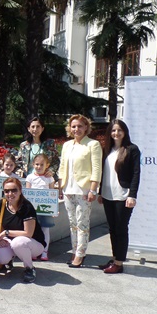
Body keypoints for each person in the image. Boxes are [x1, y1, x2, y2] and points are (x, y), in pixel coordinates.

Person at [58, 114, 102, 268]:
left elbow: (97, 169)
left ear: (86, 128)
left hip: (84, 189)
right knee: (72, 223)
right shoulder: (67, 145)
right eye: (74, 126)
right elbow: (62, 166)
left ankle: (80, 254)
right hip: (68, 188)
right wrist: (60, 185)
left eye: (80, 126)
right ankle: (75, 250)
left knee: (82, 223)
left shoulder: (93, 144)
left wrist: (93, 190)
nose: (76, 129)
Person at [97, 119, 141, 274]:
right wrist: (100, 192)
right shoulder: (107, 149)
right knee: (113, 229)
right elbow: (103, 173)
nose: (116, 133)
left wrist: (132, 195)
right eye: (113, 130)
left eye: (119, 130)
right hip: (108, 195)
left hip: (124, 195)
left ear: (125, 132)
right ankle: (115, 258)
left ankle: (119, 263)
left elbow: (136, 174)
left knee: (121, 229)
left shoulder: (132, 149)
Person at [0, 178, 46, 283]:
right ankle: (8, 260)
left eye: (14, 190)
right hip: (10, 241)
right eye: (7, 191)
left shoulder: (27, 207)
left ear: (20, 191)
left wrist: (6, 233)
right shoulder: (2, 204)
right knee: (2, 258)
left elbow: (28, 233)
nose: (10, 193)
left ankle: (29, 268)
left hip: (33, 243)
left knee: (18, 242)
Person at [26, 153, 56, 261]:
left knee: (45, 230)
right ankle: (34, 251)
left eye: (42, 165)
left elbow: (53, 194)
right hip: (33, 209)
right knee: (33, 230)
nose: (39, 167)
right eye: (37, 164)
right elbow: (27, 193)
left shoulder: (49, 178)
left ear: (47, 165)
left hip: (46, 209)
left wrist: (54, 209)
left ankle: (44, 251)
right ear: (33, 164)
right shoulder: (30, 177)